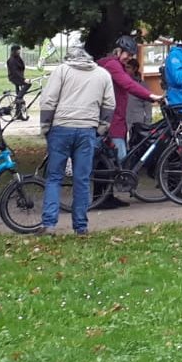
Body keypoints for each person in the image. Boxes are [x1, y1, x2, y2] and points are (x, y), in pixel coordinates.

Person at [38, 48, 116, 236]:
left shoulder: (62, 71)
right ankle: (81, 226)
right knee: (81, 179)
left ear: (69, 58)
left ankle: (49, 223)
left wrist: (45, 127)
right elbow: (109, 105)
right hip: (87, 130)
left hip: (61, 128)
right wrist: (100, 129)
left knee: (54, 177)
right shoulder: (102, 74)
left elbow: (48, 100)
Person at [97, 37, 163, 209]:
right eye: (127, 54)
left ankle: (106, 196)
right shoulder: (112, 65)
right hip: (112, 120)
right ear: (118, 50)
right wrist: (150, 96)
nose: (129, 57)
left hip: (117, 119)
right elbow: (128, 84)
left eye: (131, 55)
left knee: (111, 159)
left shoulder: (115, 65)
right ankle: (102, 198)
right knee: (114, 159)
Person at [7, 45, 30, 120]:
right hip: (15, 78)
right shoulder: (11, 60)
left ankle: (18, 114)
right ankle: (19, 97)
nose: (19, 51)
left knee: (20, 96)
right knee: (28, 84)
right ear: (14, 51)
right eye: (18, 50)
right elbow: (15, 72)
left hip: (19, 77)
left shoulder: (18, 58)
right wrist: (23, 79)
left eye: (19, 50)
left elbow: (21, 67)